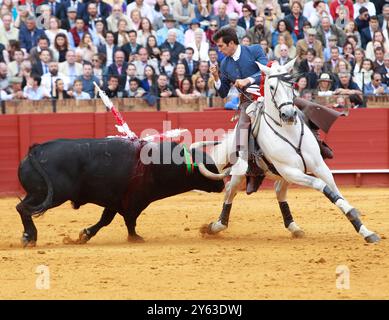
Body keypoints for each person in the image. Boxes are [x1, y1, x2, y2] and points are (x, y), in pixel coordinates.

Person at [210, 27, 268, 194]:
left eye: (221, 46)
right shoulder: (225, 64)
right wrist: (216, 78)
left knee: (297, 107)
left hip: (268, 94)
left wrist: (247, 80)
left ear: (231, 43)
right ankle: (252, 174)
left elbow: (265, 71)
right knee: (242, 130)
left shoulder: (254, 50)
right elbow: (223, 93)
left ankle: (318, 144)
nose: (219, 50)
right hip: (248, 102)